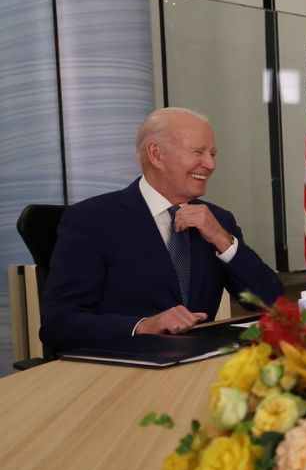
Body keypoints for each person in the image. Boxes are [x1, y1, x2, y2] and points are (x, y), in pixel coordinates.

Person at [40, 108, 284, 352]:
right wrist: (144, 326)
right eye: (198, 152)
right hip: (123, 370)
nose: (210, 164)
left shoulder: (218, 220)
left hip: (200, 367)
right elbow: (58, 324)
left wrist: (222, 239)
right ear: (156, 155)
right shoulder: (91, 219)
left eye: (212, 154)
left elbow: (273, 304)